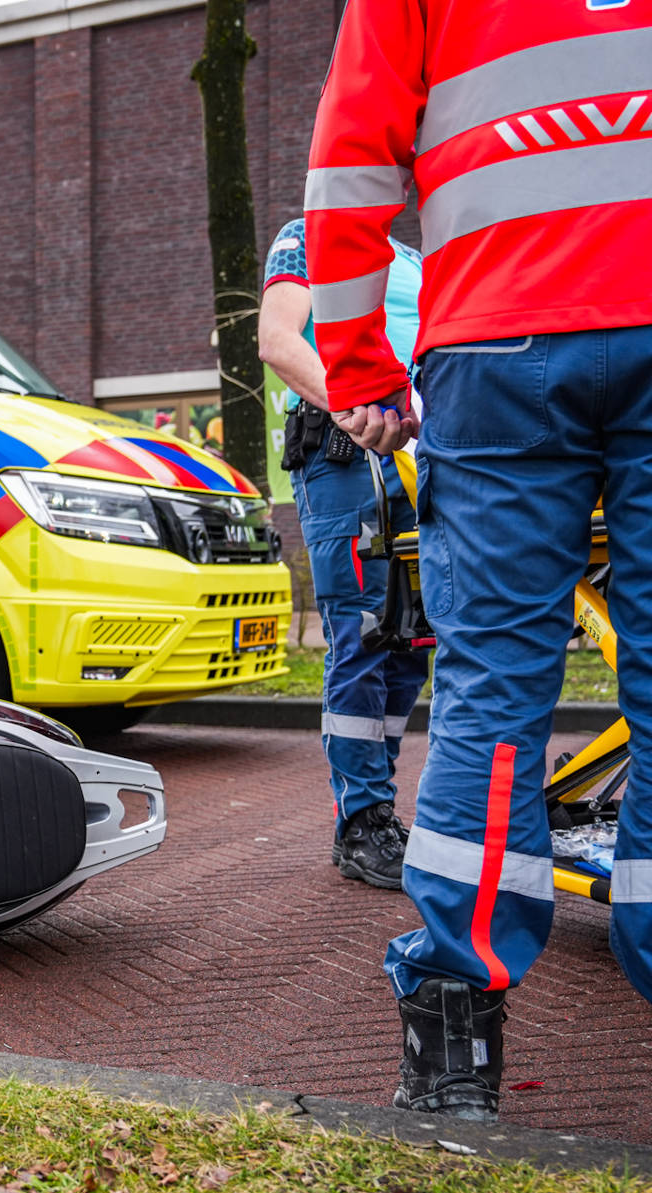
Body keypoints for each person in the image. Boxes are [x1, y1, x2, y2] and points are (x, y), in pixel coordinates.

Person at [306, 0, 652, 1121]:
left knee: (492, 686)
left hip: (498, 334)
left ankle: (453, 1035)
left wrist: (360, 368)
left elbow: (350, 161)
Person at [260, 217, 429, 889]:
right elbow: (278, 340)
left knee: (411, 641)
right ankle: (361, 820)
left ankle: (373, 809)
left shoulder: (419, 257)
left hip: (422, 457)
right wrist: (357, 407)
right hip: (348, 454)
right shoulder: (310, 234)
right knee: (362, 630)